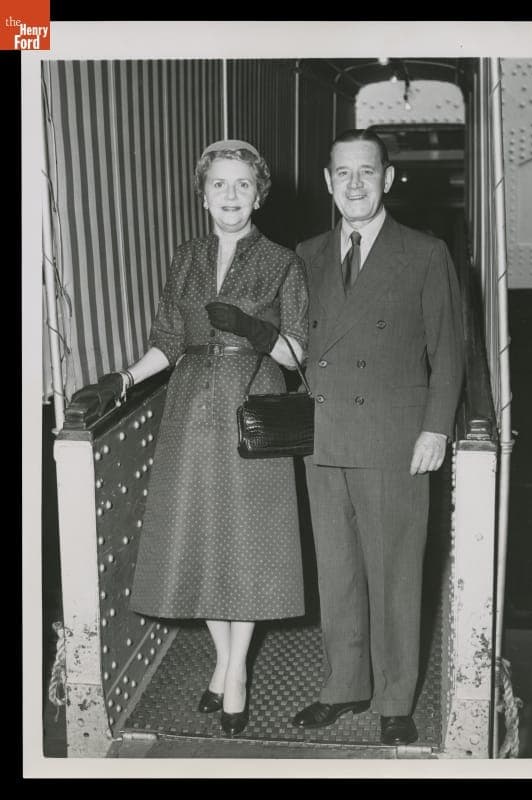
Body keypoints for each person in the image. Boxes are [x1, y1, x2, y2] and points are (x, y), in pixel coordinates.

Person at [70, 139, 308, 738]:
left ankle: (234, 676)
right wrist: (121, 379)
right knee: (200, 538)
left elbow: (298, 353)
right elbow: (167, 342)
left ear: (260, 193)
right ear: (202, 194)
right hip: (192, 409)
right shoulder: (187, 257)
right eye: (220, 185)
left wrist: (255, 330)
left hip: (253, 404)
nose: (232, 196)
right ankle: (227, 661)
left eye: (244, 185)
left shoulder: (283, 260)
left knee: (248, 543)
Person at [291, 129, 464, 746]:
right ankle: (343, 684)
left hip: (394, 438)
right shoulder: (306, 254)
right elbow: (297, 347)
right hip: (324, 435)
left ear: (388, 179)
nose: (355, 184)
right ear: (328, 182)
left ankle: (394, 696)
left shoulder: (424, 252)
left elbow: (449, 352)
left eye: (368, 172)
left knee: (394, 573)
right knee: (336, 572)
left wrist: (435, 428)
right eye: (344, 174)